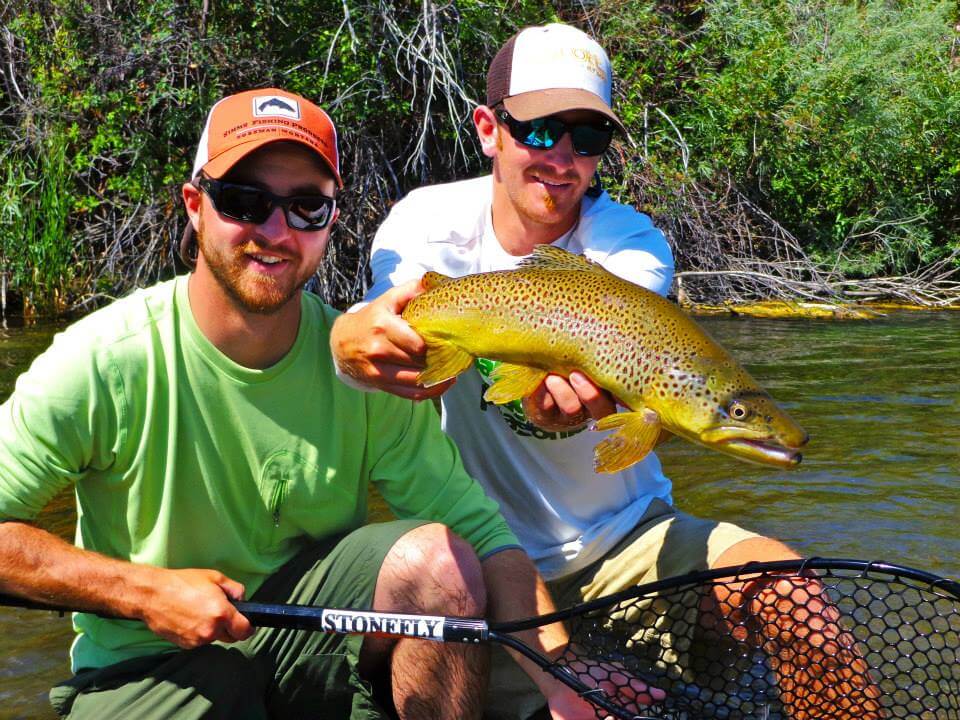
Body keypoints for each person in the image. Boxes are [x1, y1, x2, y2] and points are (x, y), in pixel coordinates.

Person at [0, 88, 633, 720]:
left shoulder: (362, 373)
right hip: (149, 666)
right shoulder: (100, 361)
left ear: (331, 221)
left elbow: (485, 538)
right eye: (245, 202)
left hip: (314, 653)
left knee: (441, 561)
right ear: (195, 206)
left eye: (306, 207)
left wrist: (560, 673)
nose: (275, 232)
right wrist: (143, 592)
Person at [329, 24, 820, 719]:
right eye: (538, 130)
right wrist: (348, 339)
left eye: (586, 138)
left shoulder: (631, 245)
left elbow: (607, 339)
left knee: (791, 595)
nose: (562, 157)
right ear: (488, 129)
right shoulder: (425, 226)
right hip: (482, 565)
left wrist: (553, 400)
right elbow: (397, 339)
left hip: (627, 542)